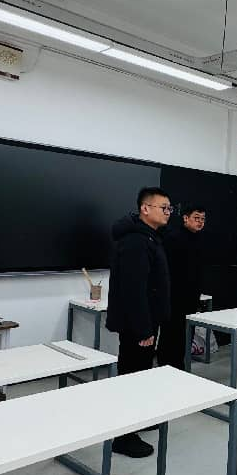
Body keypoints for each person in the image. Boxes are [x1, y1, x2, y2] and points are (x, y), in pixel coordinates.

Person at [106, 186, 172, 458]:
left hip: (145, 320)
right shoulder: (136, 241)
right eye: (163, 208)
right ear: (145, 208)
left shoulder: (150, 237)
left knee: (142, 372)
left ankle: (138, 420)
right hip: (137, 324)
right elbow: (134, 290)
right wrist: (144, 329)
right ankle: (123, 437)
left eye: (169, 208)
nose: (168, 212)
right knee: (131, 375)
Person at [158, 203, 206, 370]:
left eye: (203, 219)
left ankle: (179, 366)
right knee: (171, 333)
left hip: (191, 297)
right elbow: (167, 269)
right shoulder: (173, 237)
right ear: (185, 218)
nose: (200, 222)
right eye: (196, 218)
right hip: (174, 296)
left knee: (186, 334)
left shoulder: (200, 238)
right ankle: (166, 366)